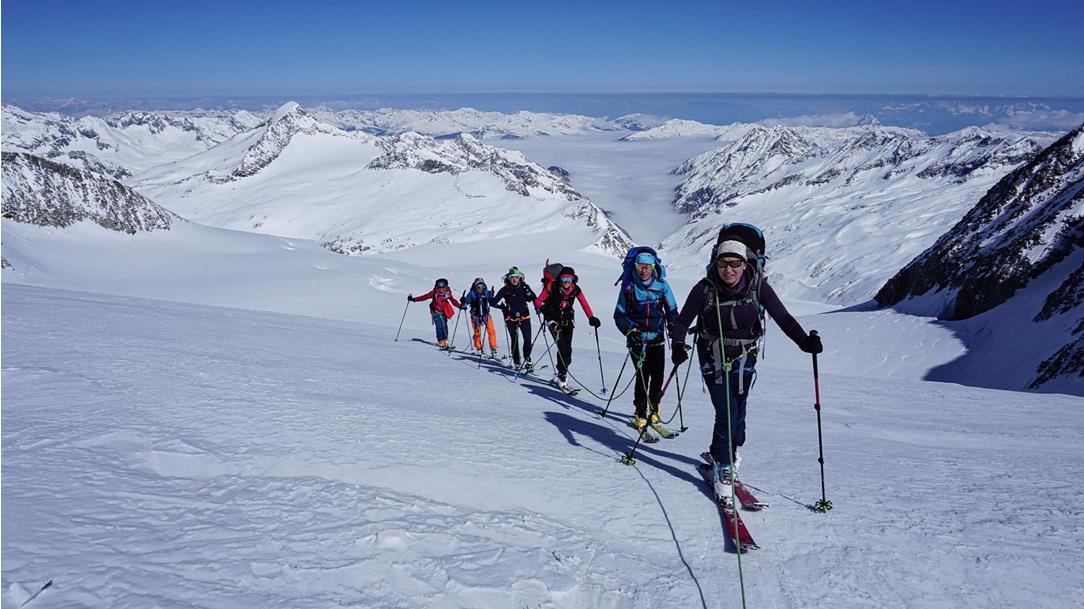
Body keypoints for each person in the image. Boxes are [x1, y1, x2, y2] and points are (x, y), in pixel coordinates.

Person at [670, 237, 823, 499]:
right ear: (715, 264)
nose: (728, 269)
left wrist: (803, 341)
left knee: (738, 412)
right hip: (712, 357)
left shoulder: (758, 286)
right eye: (723, 263)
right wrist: (677, 344)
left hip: (745, 358)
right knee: (727, 411)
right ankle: (723, 466)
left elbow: (782, 316)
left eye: (734, 263)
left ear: (745, 264)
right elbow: (683, 321)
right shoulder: (704, 289)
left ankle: (725, 450)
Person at [613, 248, 679, 431]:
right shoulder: (628, 287)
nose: (644, 270)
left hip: (657, 339)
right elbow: (619, 315)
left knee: (658, 376)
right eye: (640, 266)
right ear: (635, 266)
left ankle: (654, 407)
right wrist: (630, 331)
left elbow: (672, 310)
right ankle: (640, 412)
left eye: (648, 266)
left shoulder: (662, 286)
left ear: (654, 266)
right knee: (643, 376)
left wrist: (675, 330)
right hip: (637, 340)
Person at [534, 265, 601, 390]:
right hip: (553, 321)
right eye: (564, 279)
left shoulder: (575, 290)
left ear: (573, 280)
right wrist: (545, 310)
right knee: (562, 347)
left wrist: (591, 317)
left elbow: (584, 303)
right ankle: (562, 373)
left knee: (567, 349)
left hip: (568, 321)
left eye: (569, 279)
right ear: (560, 279)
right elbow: (537, 301)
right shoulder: (551, 287)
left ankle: (562, 372)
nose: (566, 282)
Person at [491, 266, 537, 372]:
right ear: (508, 278)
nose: (514, 279)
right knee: (514, 339)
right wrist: (501, 306)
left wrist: (529, 294)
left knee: (527, 340)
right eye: (512, 277)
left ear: (520, 277)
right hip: (510, 317)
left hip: (524, 316)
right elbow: (493, 302)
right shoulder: (505, 289)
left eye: (516, 277)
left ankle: (527, 358)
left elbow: (533, 298)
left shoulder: (525, 287)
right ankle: (517, 361)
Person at [409, 278, 462, 349]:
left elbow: (453, 301)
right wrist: (414, 299)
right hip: (435, 312)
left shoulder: (447, 293)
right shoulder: (434, 292)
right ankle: (441, 342)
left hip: (444, 312)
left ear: (446, 286)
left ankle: (446, 342)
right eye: (439, 286)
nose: (441, 288)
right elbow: (425, 297)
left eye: (443, 286)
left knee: (444, 326)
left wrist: (460, 306)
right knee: (439, 326)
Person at [461, 277, 499, 358]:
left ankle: (493, 348)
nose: (480, 288)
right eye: (478, 286)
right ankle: (478, 347)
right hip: (475, 316)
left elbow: (492, 302)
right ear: (475, 286)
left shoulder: (487, 293)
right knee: (477, 333)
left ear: (484, 286)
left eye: (481, 286)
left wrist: (499, 306)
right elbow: (466, 303)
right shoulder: (472, 294)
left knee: (491, 331)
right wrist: (463, 303)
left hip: (486, 315)